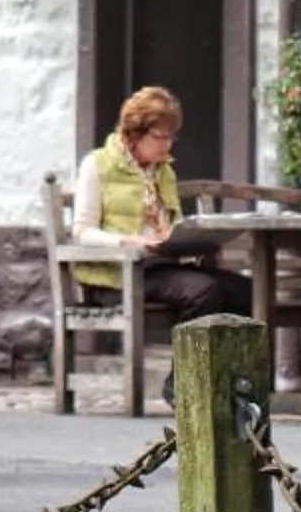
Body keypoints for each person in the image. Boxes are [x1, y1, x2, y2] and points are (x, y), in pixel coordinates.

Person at [71, 84, 253, 407]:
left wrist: (190, 240)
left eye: (172, 137)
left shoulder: (163, 171)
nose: (167, 146)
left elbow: (173, 223)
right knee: (202, 291)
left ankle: (225, 383)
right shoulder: (97, 165)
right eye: (159, 137)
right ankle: (184, 385)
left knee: (245, 290)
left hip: (163, 266)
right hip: (119, 273)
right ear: (133, 133)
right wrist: (132, 241)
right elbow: (83, 233)